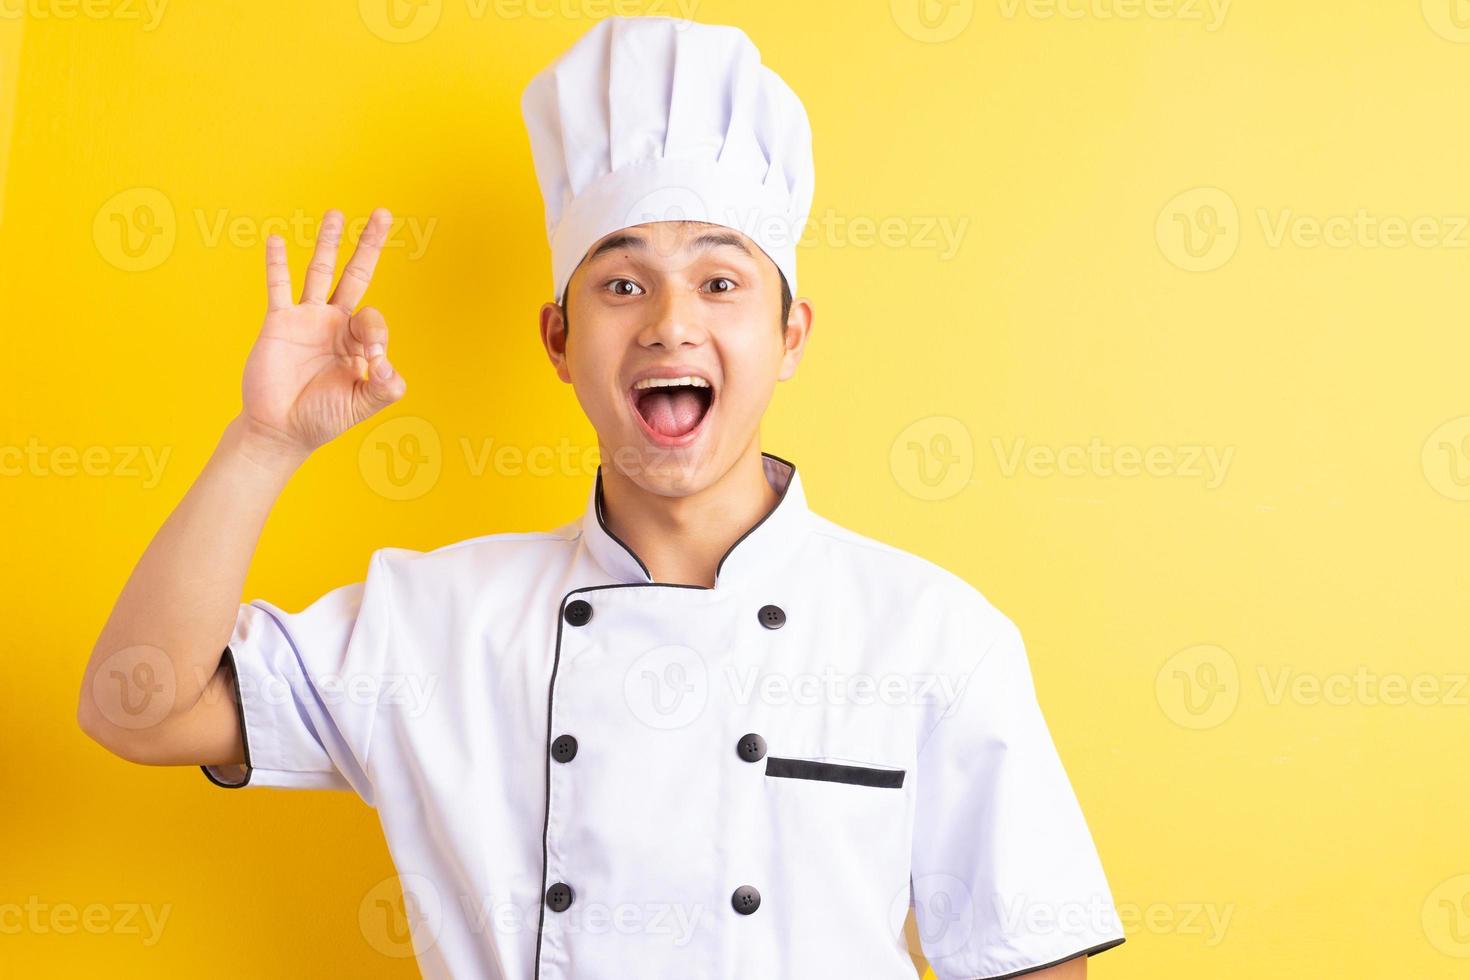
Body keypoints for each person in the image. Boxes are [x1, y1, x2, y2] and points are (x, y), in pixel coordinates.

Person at [77, 15, 1125, 980]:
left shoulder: (931, 634)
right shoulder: (434, 622)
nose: (671, 322)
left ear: (791, 334)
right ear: (560, 341)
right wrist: (262, 445)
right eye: (622, 284)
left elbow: (1033, 960)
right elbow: (137, 707)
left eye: (721, 282)